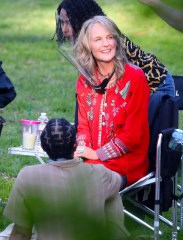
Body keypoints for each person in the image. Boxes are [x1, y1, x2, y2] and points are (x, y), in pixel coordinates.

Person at [3, 118, 129, 240]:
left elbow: (21, 234)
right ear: (75, 145)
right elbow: (120, 181)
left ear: (42, 146)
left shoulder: (27, 176)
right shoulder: (100, 173)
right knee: (112, 195)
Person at [73, 16, 150, 188]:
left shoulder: (135, 78)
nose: (106, 44)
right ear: (88, 46)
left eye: (110, 37)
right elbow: (83, 125)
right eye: (98, 39)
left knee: (81, 183)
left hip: (127, 163)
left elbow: (133, 135)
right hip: (92, 162)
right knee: (57, 174)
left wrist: (97, 154)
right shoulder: (84, 80)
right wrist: (82, 151)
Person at [55, 0, 175, 97]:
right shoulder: (86, 41)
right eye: (62, 23)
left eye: (69, 23)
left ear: (81, 19)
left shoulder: (104, 40)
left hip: (157, 84)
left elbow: (116, 82)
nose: (64, 29)